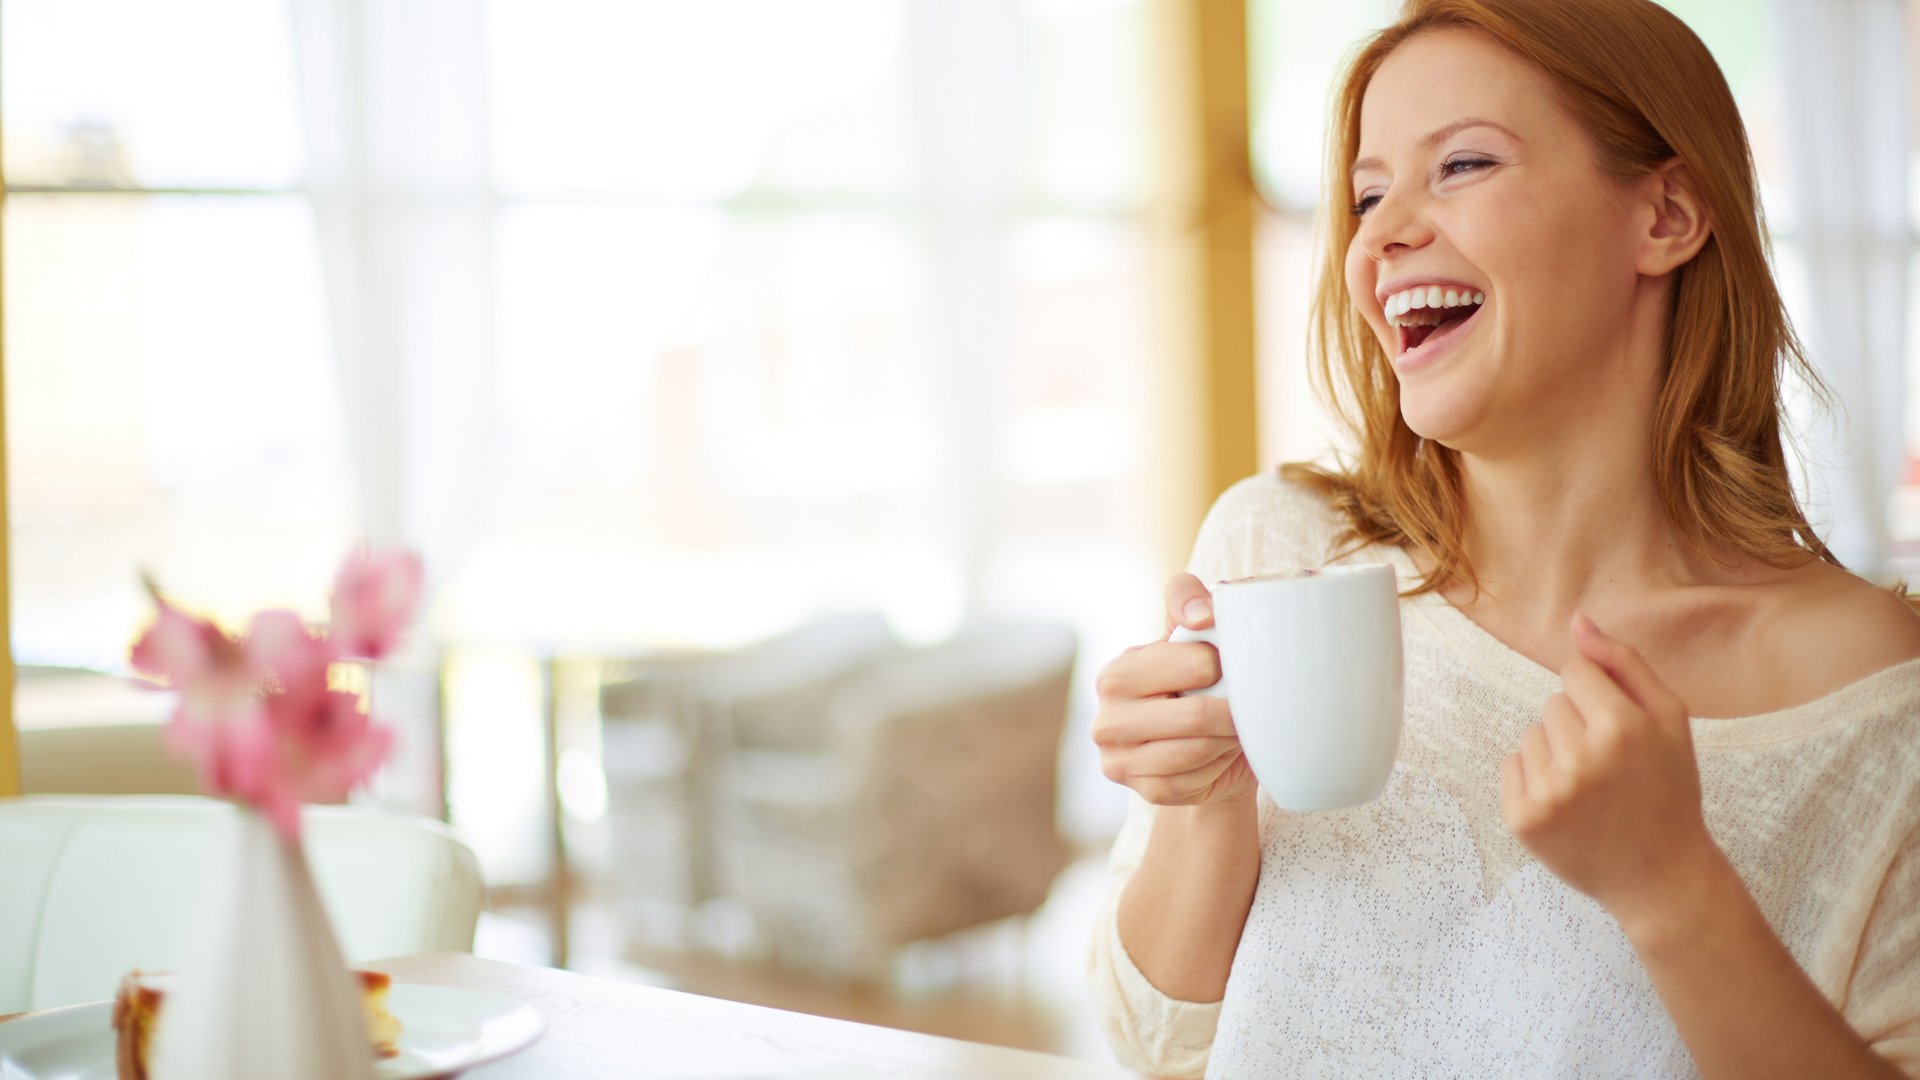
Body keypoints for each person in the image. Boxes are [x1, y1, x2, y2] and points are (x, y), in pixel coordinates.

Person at [1086, 1, 1920, 1076]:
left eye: (1464, 165)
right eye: (1368, 192)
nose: (1379, 235)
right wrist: (1205, 809)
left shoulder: (1875, 698)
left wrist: (1673, 890)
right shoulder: (1282, 555)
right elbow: (1162, 1044)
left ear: (1666, 215)